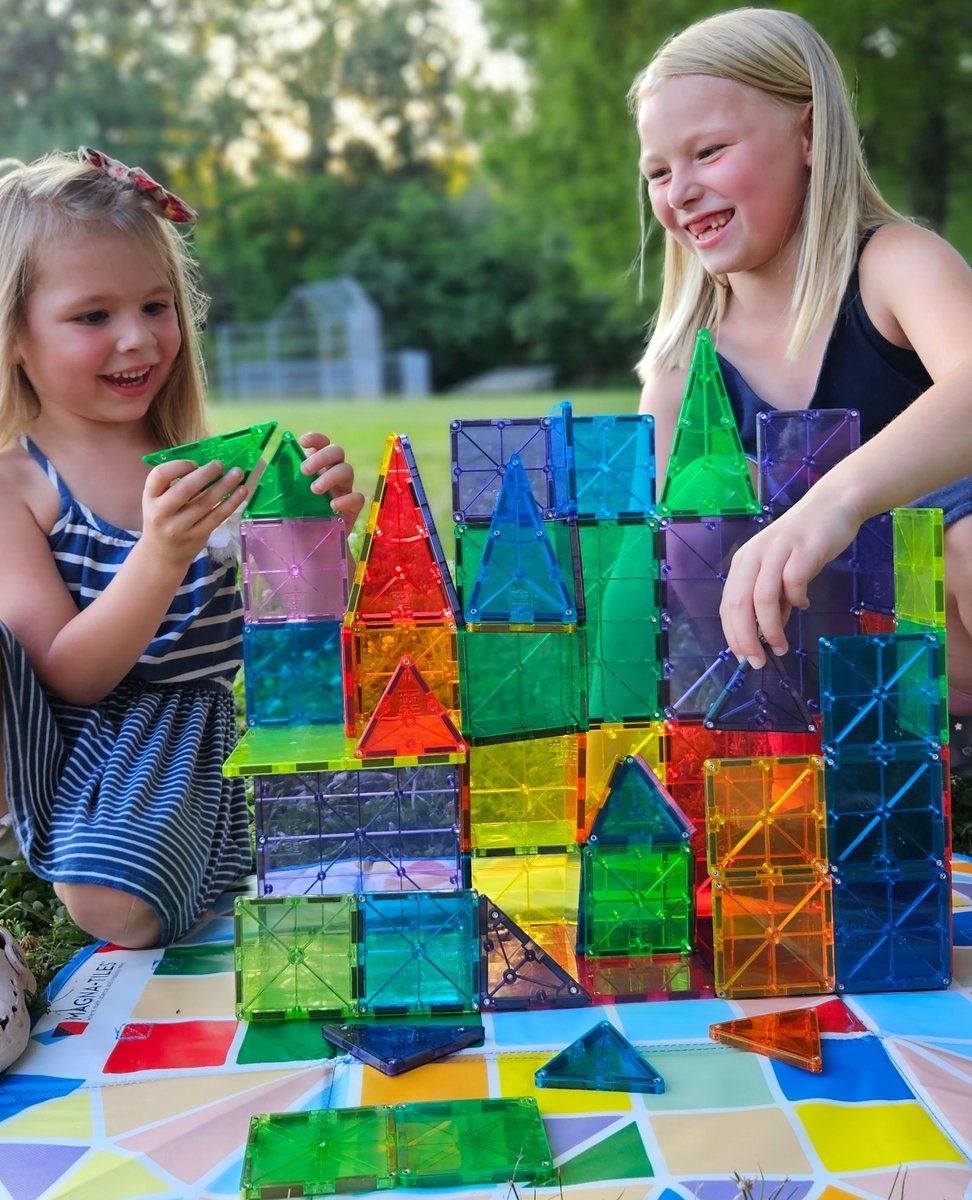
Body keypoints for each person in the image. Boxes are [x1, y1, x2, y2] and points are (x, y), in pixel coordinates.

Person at [0, 149, 364, 967]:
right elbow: (66, 673)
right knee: (113, 900)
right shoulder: (18, 486)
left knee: (414, 810)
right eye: (92, 316)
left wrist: (319, 531)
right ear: (14, 335)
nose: (137, 337)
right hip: (108, 750)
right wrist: (161, 555)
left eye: (156, 306)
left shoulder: (203, 464)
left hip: (231, 721)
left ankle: (245, 852)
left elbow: (289, 625)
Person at [631, 8, 972, 759]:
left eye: (709, 152)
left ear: (810, 135)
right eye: (657, 171)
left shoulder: (894, 265)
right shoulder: (683, 368)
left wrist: (835, 504)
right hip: (808, 702)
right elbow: (666, 574)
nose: (679, 190)